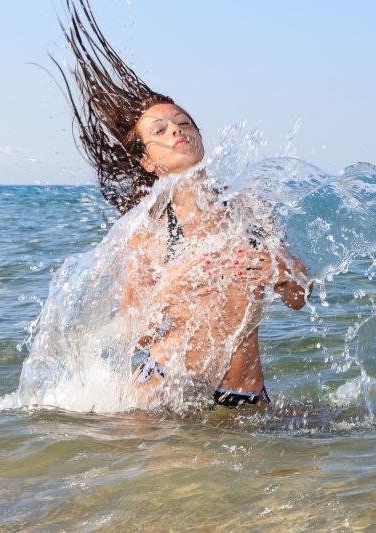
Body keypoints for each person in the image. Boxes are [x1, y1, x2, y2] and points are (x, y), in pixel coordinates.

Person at [56, 0, 309, 409]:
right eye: (161, 129)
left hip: (242, 390)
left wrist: (281, 271)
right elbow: (135, 332)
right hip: (168, 385)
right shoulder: (152, 228)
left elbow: (299, 297)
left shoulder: (248, 209)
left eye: (184, 123)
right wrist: (176, 285)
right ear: (148, 161)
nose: (177, 130)